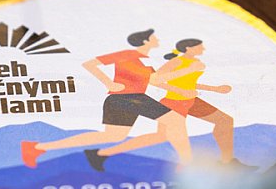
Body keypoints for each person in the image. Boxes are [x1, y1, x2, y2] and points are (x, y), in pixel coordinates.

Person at [20, 29, 182, 167]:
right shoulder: (126, 55)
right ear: (146, 41)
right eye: (154, 37)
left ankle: (38, 147)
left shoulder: (145, 61)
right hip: (126, 98)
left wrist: (180, 82)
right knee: (175, 120)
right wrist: (109, 83)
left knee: (114, 136)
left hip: (130, 99)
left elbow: (155, 81)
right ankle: (183, 161)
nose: (157, 39)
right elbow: (89, 64)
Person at [93, 38, 249, 170]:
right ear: (188, 48)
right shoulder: (177, 61)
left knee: (225, 121)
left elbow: (187, 83)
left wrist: (214, 89)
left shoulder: (195, 62)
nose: (203, 48)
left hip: (191, 101)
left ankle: (227, 162)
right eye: (199, 46)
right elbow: (156, 80)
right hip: (174, 102)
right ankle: (104, 154)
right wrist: (186, 77)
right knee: (162, 137)